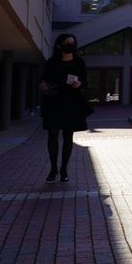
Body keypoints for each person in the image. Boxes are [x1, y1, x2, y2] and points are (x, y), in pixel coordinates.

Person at [39, 33, 90, 183]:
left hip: (71, 102)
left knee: (68, 137)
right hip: (53, 102)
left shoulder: (79, 62)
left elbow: (85, 82)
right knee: (52, 135)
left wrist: (79, 84)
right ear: (59, 45)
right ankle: (53, 169)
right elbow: (43, 80)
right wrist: (43, 86)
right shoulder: (52, 62)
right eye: (67, 43)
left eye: (72, 43)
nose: (70, 46)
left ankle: (64, 170)